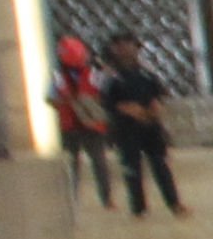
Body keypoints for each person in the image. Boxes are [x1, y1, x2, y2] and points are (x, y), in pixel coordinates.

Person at [96, 34, 184, 219]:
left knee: (160, 164)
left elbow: (158, 94)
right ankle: (138, 208)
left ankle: (174, 203)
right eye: (120, 46)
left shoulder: (146, 73)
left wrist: (154, 107)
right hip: (126, 129)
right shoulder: (111, 76)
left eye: (130, 45)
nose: (126, 49)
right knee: (132, 167)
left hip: (150, 126)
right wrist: (126, 109)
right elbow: (106, 101)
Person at [49, 35, 114, 206]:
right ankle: (72, 199)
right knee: (72, 165)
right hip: (71, 126)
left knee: (99, 162)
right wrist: (67, 102)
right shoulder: (58, 77)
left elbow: (106, 93)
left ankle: (106, 198)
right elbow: (51, 99)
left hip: (92, 125)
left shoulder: (94, 74)